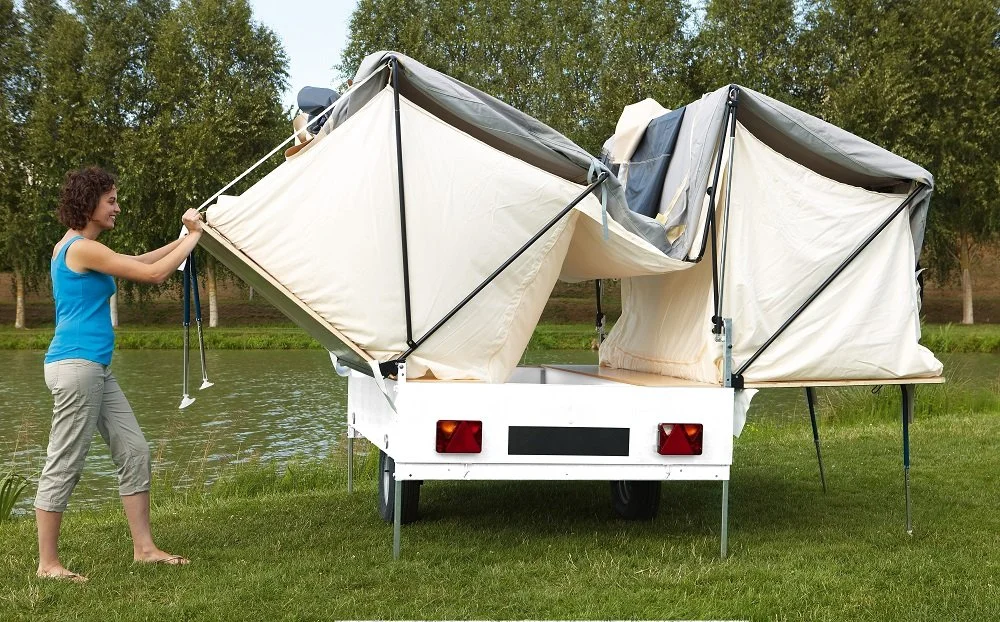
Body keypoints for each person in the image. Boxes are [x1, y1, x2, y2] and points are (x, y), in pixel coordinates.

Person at [35, 166, 203, 582]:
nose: (117, 207)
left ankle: (144, 550)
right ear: (89, 203)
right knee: (65, 462)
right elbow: (154, 274)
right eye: (111, 200)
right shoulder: (78, 248)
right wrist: (197, 237)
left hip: (95, 369)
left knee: (134, 451)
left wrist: (187, 237)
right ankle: (48, 565)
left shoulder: (86, 248)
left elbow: (141, 261)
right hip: (76, 367)